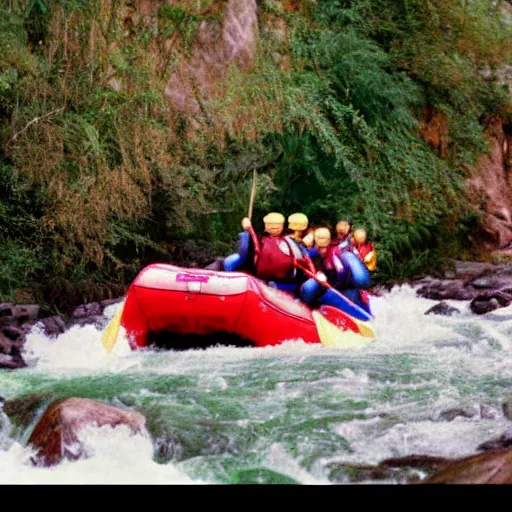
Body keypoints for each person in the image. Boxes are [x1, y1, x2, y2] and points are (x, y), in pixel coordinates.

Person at [224, 212, 313, 295]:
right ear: (265, 226)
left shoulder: (290, 242)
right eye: (270, 224)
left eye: (277, 224)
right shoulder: (262, 240)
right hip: (261, 280)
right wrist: (249, 229)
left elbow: (305, 258)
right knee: (231, 261)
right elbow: (252, 247)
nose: (273, 226)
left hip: (286, 283)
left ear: (282, 226)